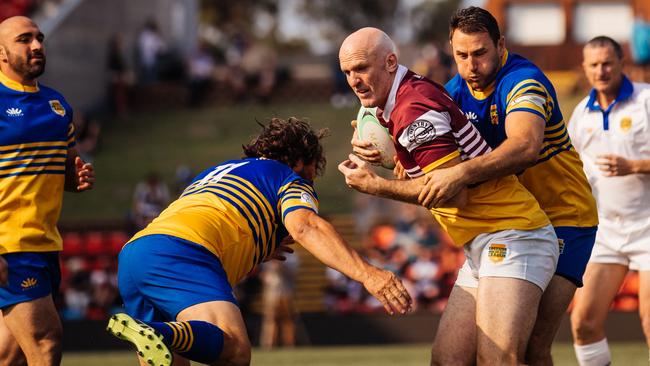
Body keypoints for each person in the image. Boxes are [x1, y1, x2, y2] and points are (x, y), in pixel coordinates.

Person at [107, 117, 412, 366]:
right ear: (298, 161)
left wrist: (262, 243)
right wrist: (369, 275)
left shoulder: (216, 172)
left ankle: (154, 332)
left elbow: (219, 214)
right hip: (183, 251)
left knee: (170, 360)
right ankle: (158, 332)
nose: (310, 181)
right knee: (236, 348)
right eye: (311, 172)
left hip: (137, 253)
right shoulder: (287, 177)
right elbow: (306, 226)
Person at [338, 27, 558, 365]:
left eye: (362, 68)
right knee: (447, 359)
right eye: (348, 72)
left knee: (498, 360)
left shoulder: (413, 109)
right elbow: (425, 160)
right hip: (481, 240)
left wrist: (376, 186)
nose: (354, 80)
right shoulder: (394, 102)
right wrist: (392, 155)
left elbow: (453, 197)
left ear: (390, 62)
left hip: (514, 234)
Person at [415, 7, 599, 364]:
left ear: (501, 45)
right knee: (449, 357)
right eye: (461, 55)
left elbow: (525, 146)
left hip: (565, 219)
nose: (471, 65)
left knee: (529, 347)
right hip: (506, 225)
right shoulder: (454, 92)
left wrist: (461, 174)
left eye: (480, 53)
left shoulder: (524, 81)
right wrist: (382, 151)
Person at [0, 16, 95, 366]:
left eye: (39, 38)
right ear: (2, 53)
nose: (37, 45)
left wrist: (77, 178)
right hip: (9, 245)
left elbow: (68, 170)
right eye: (25, 39)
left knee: (10, 356)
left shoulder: (57, 105)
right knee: (45, 342)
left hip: (44, 245)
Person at [567, 36, 650, 366]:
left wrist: (635, 166)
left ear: (621, 64)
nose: (601, 70)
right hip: (605, 232)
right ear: (584, 69)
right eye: (594, 64)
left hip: (648, 226)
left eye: (607, 63)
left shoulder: (645, 101)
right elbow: (567, 170)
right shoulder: (579, 115)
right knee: (584, 323)